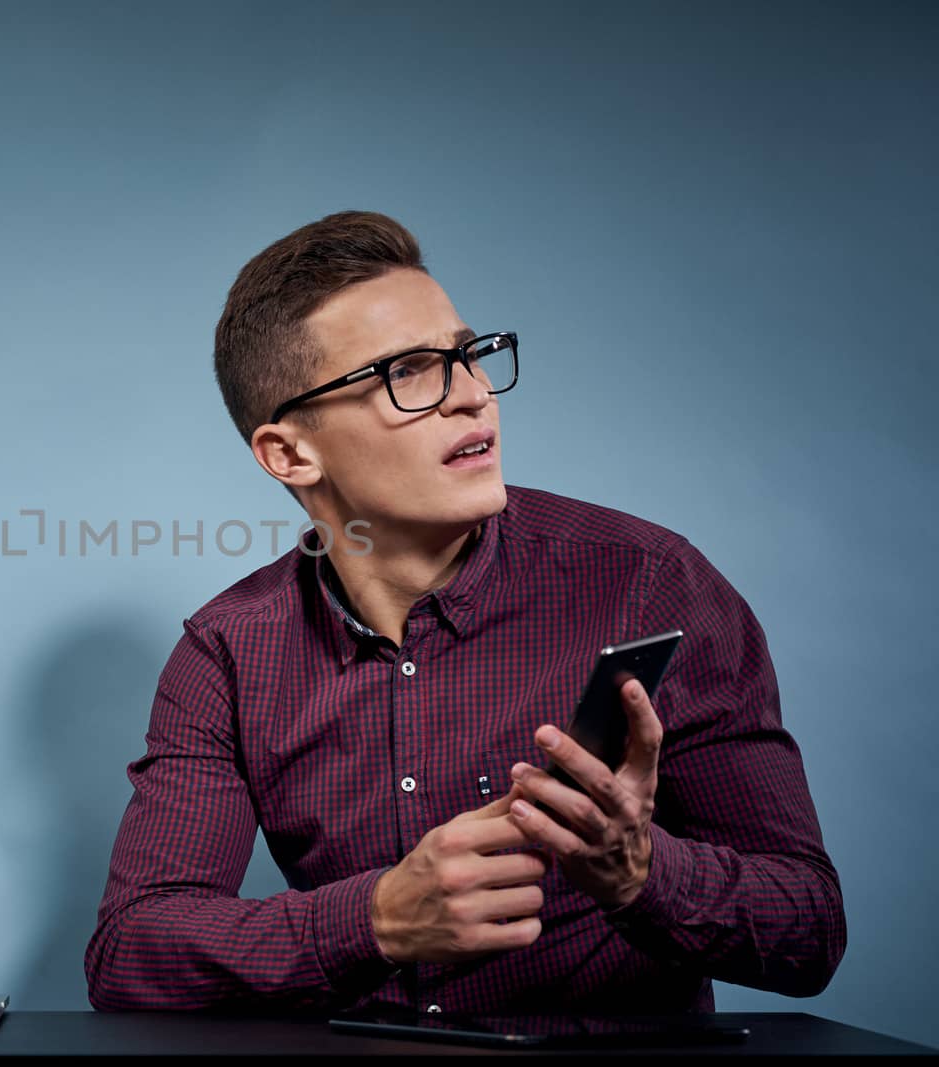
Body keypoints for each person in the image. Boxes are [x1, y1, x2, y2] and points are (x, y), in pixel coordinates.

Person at [83, 211, 846, 1015]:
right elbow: (131, 949)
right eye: (409, 373)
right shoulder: (228, 653)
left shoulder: (649, 583)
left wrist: (641, 872)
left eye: (468, 355)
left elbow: (810, 931)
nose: (476, 397)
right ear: (289, 453)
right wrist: (373, 919)